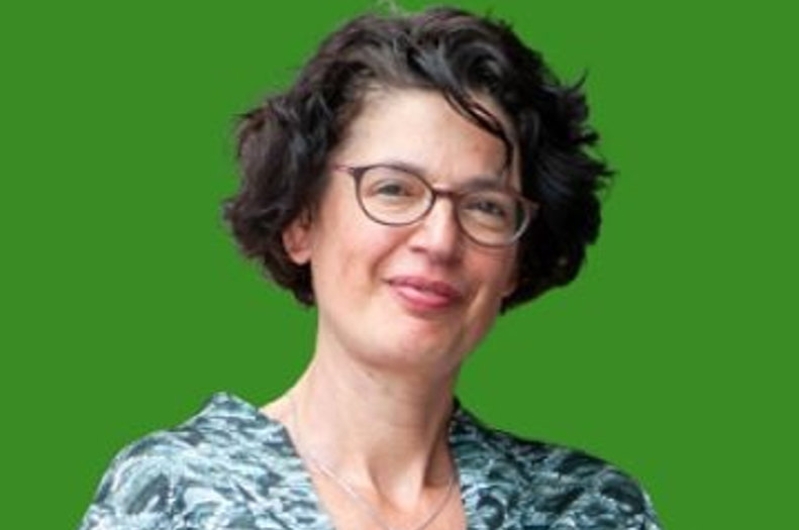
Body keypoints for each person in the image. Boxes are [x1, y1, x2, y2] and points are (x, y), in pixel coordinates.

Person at [79, 6, 662, 530]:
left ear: (516, 261)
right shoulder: (173, 492)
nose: (439, 240)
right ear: (300, 220)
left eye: (485, 206)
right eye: (393, 189)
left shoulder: (588, 508)